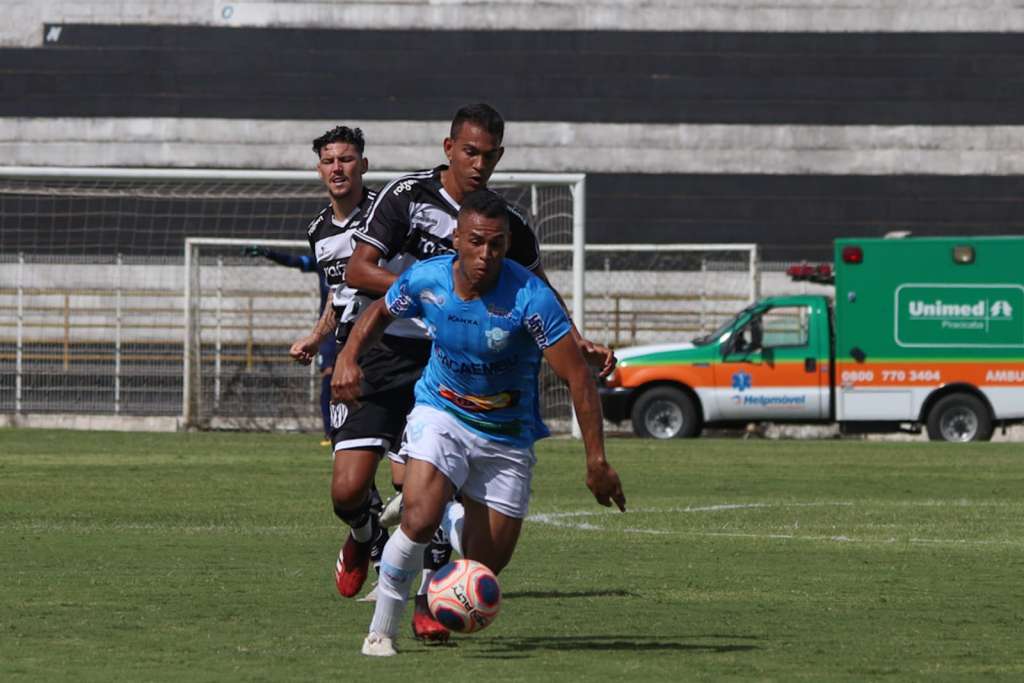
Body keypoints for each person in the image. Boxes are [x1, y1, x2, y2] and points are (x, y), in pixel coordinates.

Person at [340, 103, 616, 640]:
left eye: (489, 155)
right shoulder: (411, 214)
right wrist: (405, 309)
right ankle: (381, 619)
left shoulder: (514, 245)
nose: (479, 164)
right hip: (419, 374)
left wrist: (576, 345)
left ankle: (451, 533)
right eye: (470, 151)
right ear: (449, 149)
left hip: (502, 415)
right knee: (393, 503)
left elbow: (556, 330)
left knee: (484, 562)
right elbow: (362, 279)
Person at [285, 125, 391, 594]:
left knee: (414, 481)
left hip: (397, 346)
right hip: (350, 357)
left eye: (346, 159)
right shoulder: (318, 230)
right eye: (329, 160)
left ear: (363, 165)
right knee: (346, 491)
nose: (337, 168)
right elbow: (338, 295)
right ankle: (365, 536)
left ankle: (415, 578)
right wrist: (315, 335)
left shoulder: (388, 216)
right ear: (319, 169)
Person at [244, 244, 336, 444]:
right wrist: (269, 253)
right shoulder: (323, 262)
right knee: (328, 376)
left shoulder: (361, 257)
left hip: (357, 325)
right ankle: (330, 432)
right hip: (328, 329)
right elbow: (295, 261)